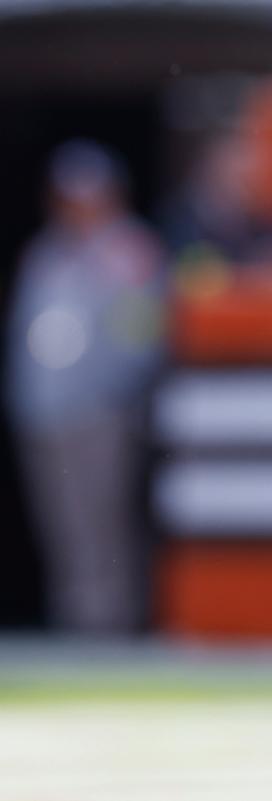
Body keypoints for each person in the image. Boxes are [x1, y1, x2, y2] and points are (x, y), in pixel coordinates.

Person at [5, 140, 166, 634]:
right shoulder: (45, 253)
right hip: (43, 415)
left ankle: (111, 624)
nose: (76, 206)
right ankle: (76, 619)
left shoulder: (129, 253)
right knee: (60, 522)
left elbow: (141, 334)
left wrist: (111, 395)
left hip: (100, 414)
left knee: (105, 521)